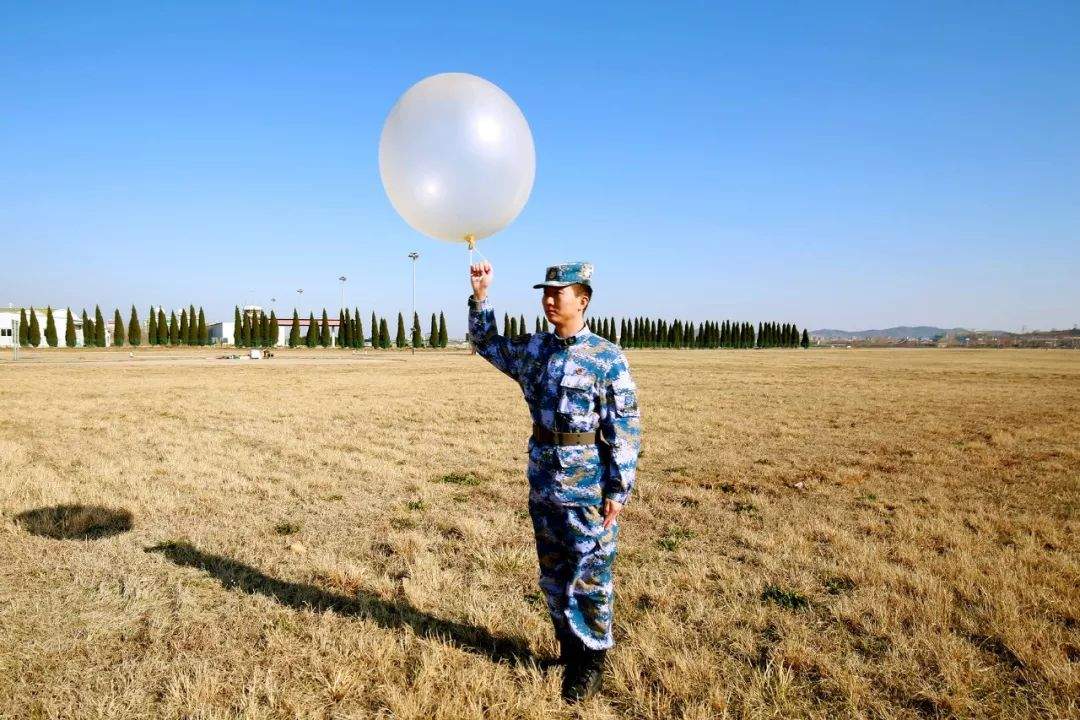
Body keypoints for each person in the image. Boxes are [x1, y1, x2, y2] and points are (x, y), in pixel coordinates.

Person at [467, 260, 642, 702]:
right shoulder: (535, 350)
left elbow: (624, 427)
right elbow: (487, 343)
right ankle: (568, 650)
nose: (548, 300)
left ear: (581, 301)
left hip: (587, 487)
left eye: (557, 293)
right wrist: (481, 297)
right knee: (553, 574)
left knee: (590, 575)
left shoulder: (606, 357)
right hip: (544, 482)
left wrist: (618, 490)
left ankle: (591, 661)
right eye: (544, 293)